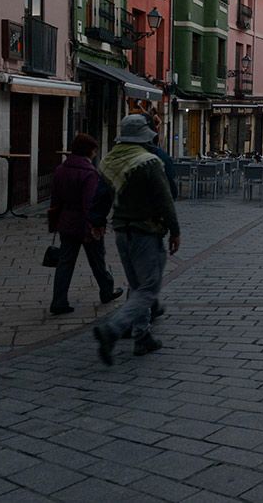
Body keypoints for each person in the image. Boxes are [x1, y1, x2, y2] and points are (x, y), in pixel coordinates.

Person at [93, 114, 181, 364]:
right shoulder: (149, 162)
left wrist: (97, 222)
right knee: (149, 288)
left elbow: (102, 194)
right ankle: (113, 329)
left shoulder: (110, 160)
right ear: (144, 136)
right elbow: (166, 199)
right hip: (146, 232)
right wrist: (175, 231)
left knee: (136, 285)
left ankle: (142, 337)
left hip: (122, 233)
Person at [48, 133, 123, 315]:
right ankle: (106, 290)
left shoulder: (60, 170)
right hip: (86, 224)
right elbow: (90, 202)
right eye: (94, 150)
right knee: (97, 260)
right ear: (89, 151)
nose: (96, 154)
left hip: (66, 222)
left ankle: (58, 301)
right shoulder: (89, 174)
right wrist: (96, 225)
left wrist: (56, 222)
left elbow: (55, 200)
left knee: (65, 263)